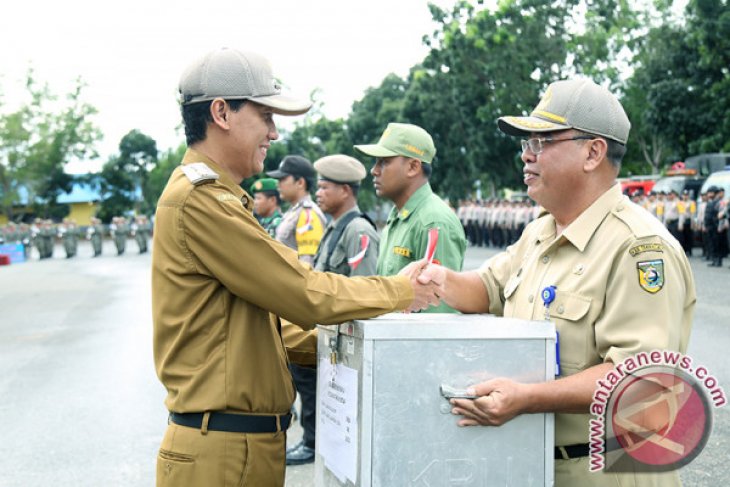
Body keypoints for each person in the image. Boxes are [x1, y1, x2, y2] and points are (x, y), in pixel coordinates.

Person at [151, 47, 439, 487]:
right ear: (221, 113)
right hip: (223, 452)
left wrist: (359, 345)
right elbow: (303, 292)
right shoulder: (202, 201)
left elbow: (267, 325)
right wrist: (400, 292)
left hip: (237, 446)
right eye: (266, 116)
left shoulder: (219, 200)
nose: (273, 132)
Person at [409, 78, 695, 486]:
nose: (526, 156)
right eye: (525, 144)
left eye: (541, 142)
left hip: (605, 470)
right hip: (539, 463)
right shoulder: (542, 232)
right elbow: (488, 289)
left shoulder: (639, 249)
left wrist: (528, 398)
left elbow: (638, 379)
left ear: (593, 152)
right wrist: (438, 280)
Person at [282, 154, 382, 466]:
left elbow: (363, 292)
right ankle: (315, 442)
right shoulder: (335, 227)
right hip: (324, 334)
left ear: (346, 191)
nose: (319, 193)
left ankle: (313, 444)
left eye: (326, 187)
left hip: (344, 339)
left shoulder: (358, 231)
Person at [354, 122, 466, 312]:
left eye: (384, 161)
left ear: (413, 167)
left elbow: (437, 313)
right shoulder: (398, 217)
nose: (374, 170)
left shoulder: (433, 222)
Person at [267, 155, 326, 266]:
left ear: (300, 183)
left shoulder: (308, 215)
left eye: (283, 179)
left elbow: (307, 266)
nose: (278, 184)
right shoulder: (293, 211)